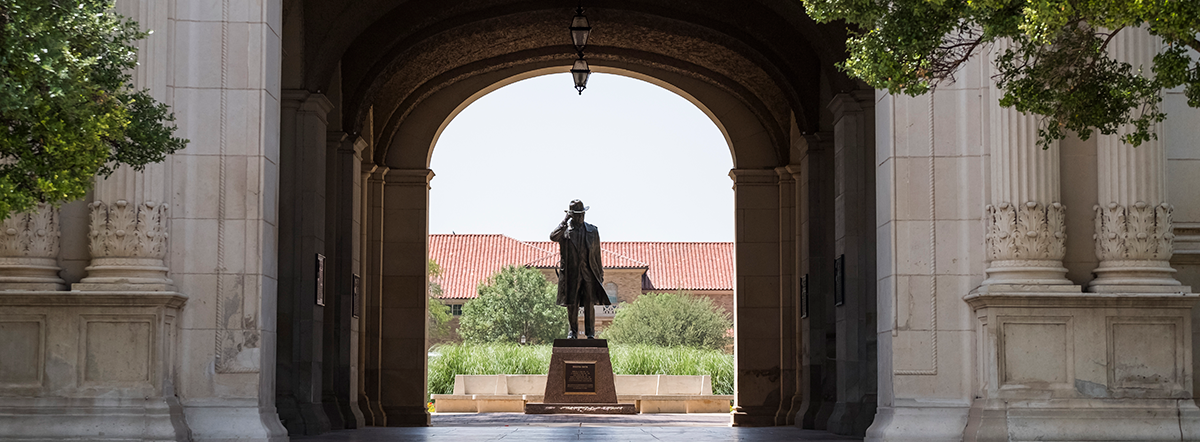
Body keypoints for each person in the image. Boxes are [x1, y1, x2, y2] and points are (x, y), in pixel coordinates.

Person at [550, 199, 610, 339]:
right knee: (573, 302)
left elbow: (596, 255)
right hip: (572, 274)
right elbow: (553, 236)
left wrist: (600, 274)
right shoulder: (565, 232)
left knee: (589, 302)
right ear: (572, 215)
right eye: (577, 214)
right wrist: (565, 220)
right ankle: (573, 331)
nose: (581, 217)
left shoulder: (592, 231)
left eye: (582, 213)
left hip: (589, 272)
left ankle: (590, 333)